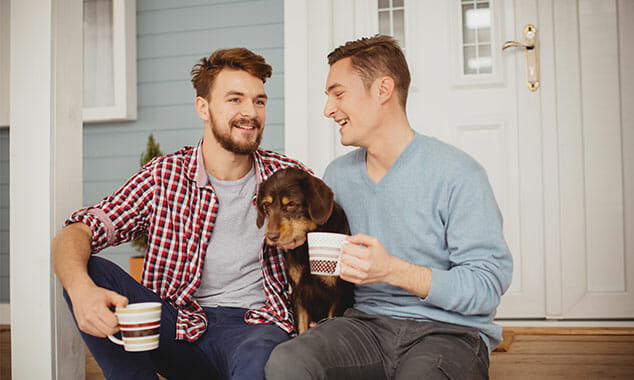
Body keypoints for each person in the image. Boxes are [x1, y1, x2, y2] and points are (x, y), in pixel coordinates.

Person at [265, 35, 513, 380]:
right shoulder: (338, 176)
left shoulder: (458, 174)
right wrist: (297, 237)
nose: (328, 109)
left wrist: (392, 270)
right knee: (286, 362)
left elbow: (486, 288)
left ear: (382, 90)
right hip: (365, 326)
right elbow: (324, 249)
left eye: (338, 94)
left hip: (448, 332)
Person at [52, 48, 307, 380]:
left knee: (261, 360)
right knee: (90, 269)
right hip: (176, 328)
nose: (251, 112)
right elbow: (78, 230)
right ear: (203, 107)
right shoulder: (164, 175)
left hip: (254, 329)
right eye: (235, 100)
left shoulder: (288, 175)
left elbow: (330, 234)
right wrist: (81, 290)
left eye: (259, 101)